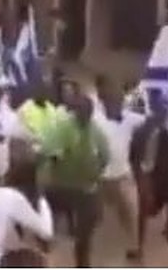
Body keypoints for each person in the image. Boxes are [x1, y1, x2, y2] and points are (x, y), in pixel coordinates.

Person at [43, 83, 109, 268]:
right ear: (75, 110)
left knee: (87, 231)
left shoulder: (96, 131)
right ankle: (46, 247)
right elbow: (53, 154)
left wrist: (94, 173)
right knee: (48, 221)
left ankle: (82, 262)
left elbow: (106, 156)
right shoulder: (64, 128)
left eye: (87, 111)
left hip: (87, 188)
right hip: (63, 185)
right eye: (80, 110)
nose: (84, 115)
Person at [93, 78, 144, 261]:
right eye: (114, 99)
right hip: (102, 179)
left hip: (124, 176)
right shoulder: (95, 119)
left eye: (120, 100)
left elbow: (149, 122)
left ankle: (134, 248)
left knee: (132, 211)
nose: (119, 103)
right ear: (104, 100)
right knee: (103, 218)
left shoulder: (129, 118)